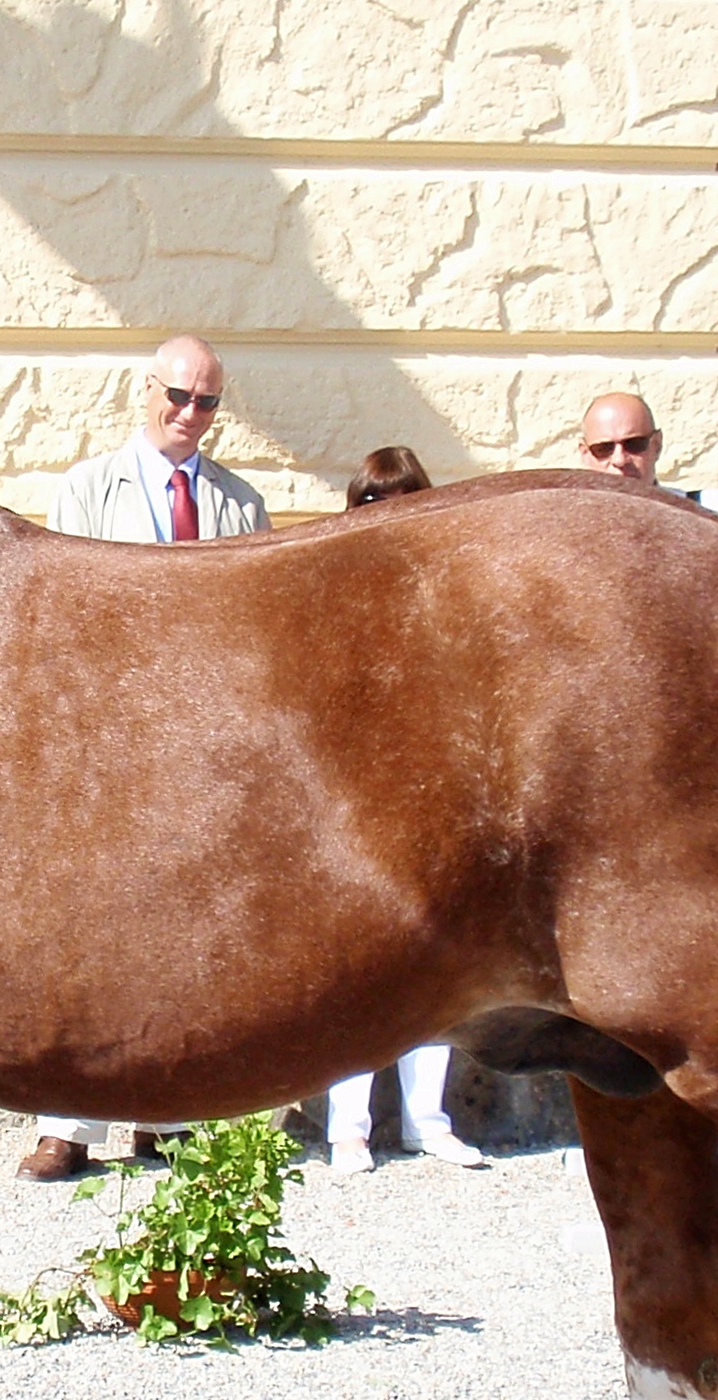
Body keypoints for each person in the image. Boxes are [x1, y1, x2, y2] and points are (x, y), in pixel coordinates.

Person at [15, 335, 269, 1184]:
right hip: (111, 744)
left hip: (204, 750)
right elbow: (60, 619)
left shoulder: (240, 505)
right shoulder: (87, 490)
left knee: (194, 935)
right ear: (144, 390)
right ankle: (70, 1124)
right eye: (176, 396)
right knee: (91, 932)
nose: (188, 415)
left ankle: (173, 1112)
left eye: (205, 403)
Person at [317, 448, 485, 1171]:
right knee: (353, 967)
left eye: (403, 500)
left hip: (428, 797)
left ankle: (426, 1118)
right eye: (372, 502)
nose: (387, 516)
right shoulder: (329, 593)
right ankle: (346, 1126)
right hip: (351, 801)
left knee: (431, 964)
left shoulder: (450, 591)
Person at [576, 391, 718, 518]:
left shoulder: (711, 511)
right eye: (604, 448)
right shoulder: (566, 523)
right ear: (585, 453)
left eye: (634, 444)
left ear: (657, 445)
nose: (620, 459)